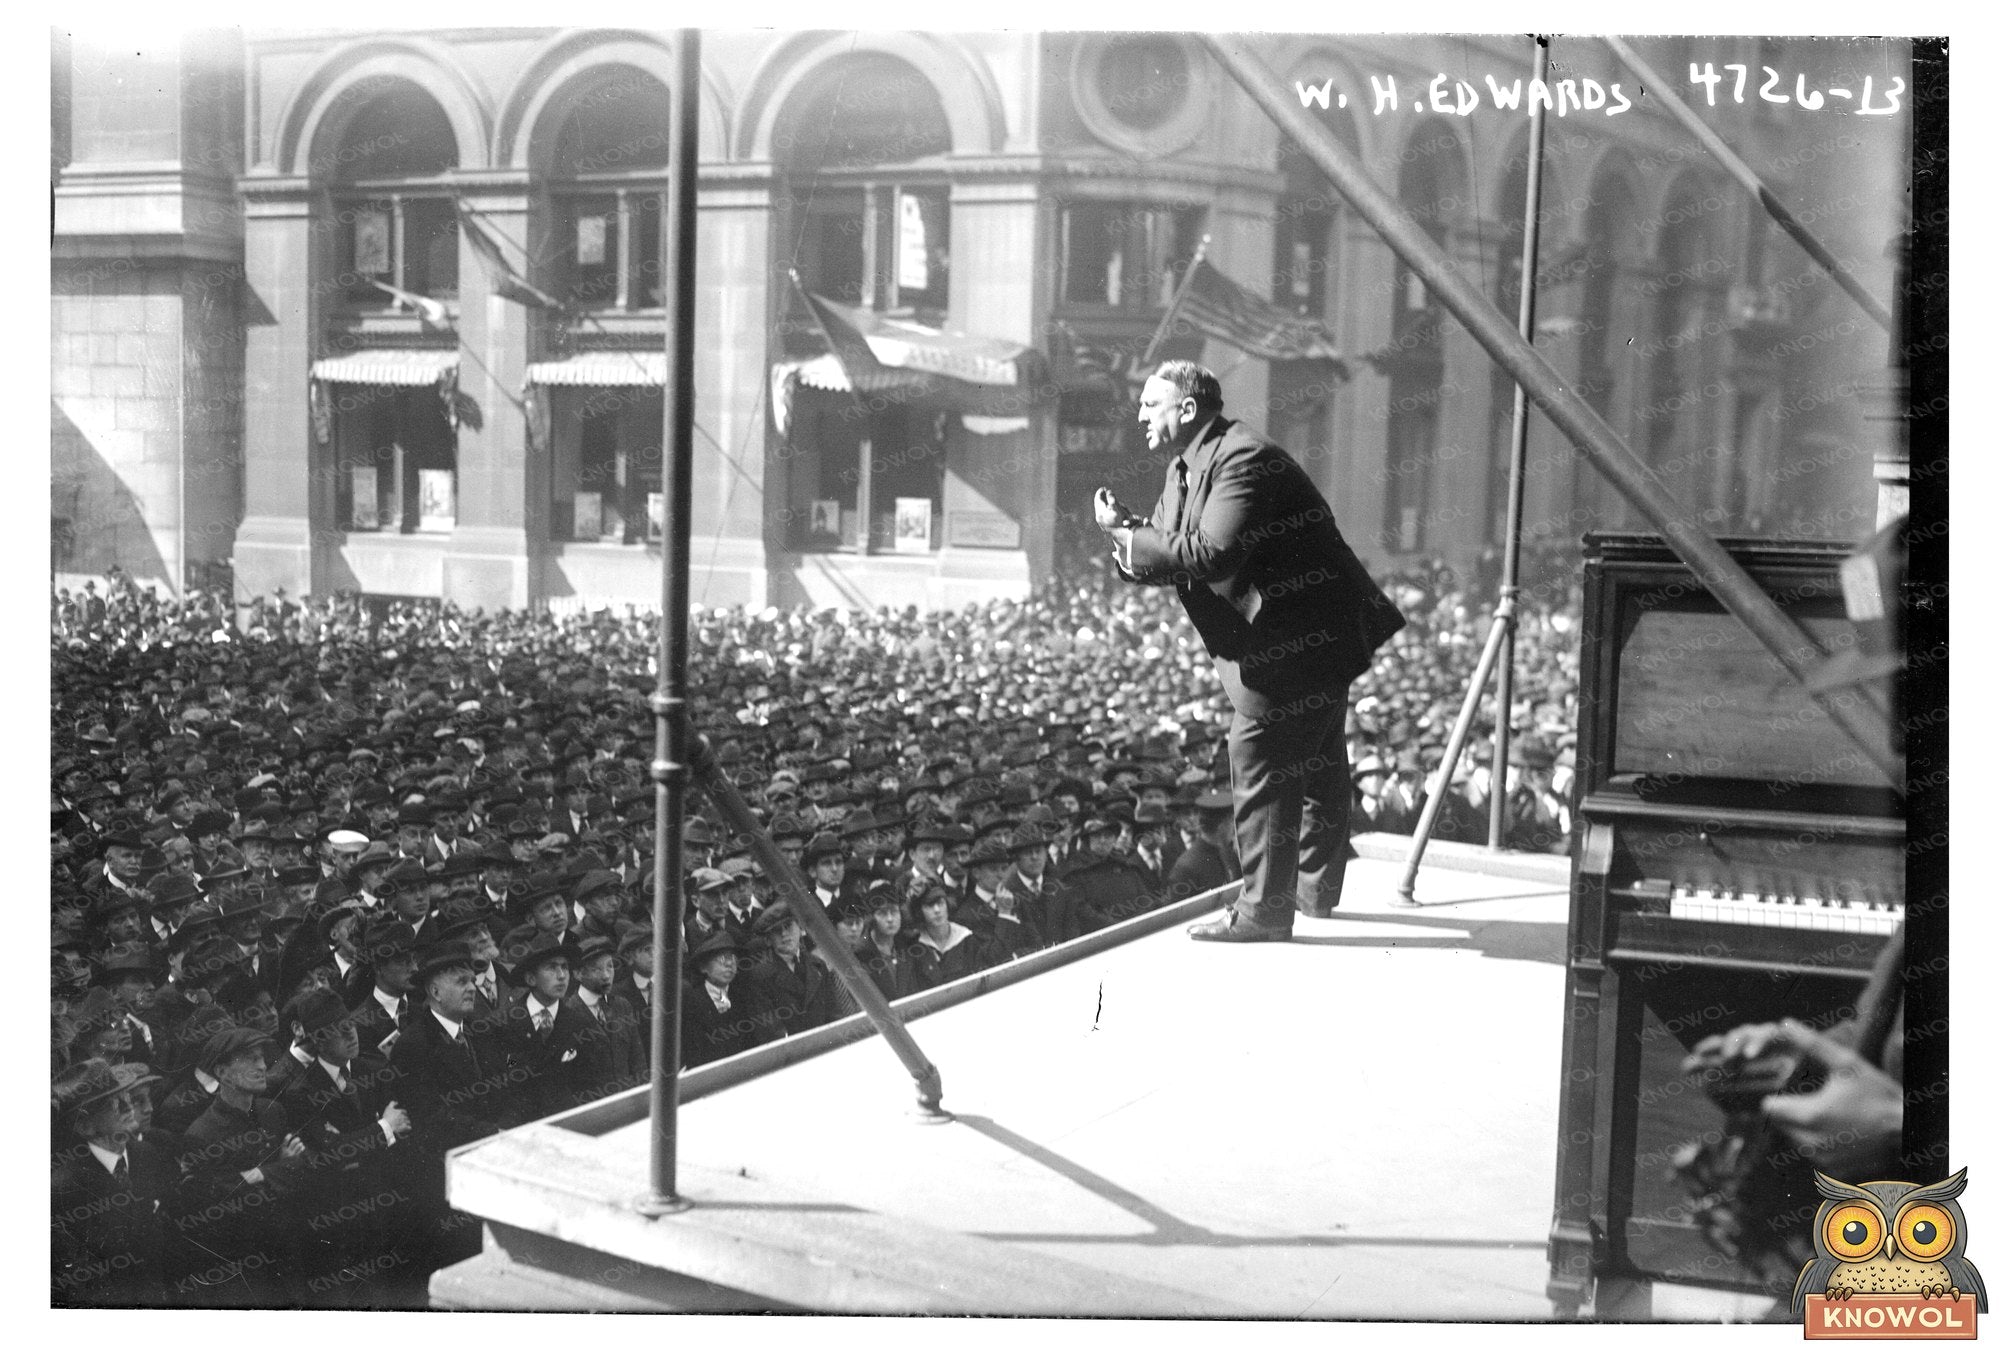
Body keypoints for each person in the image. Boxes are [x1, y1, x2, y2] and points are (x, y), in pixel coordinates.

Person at [1098, 360, 1404, 940]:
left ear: (1187, 410)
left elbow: (1210, 553)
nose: (1138, 414)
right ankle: (1317, 890)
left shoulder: (1243, 458)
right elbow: (1171, 548)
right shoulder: (1187, 465)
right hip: (1303, 634)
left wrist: (1128, 537)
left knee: (1257, 750)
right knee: (1317, 759)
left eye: (1148, 404)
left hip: (1298, 637)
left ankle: (1264, 912)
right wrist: (1128, 534)